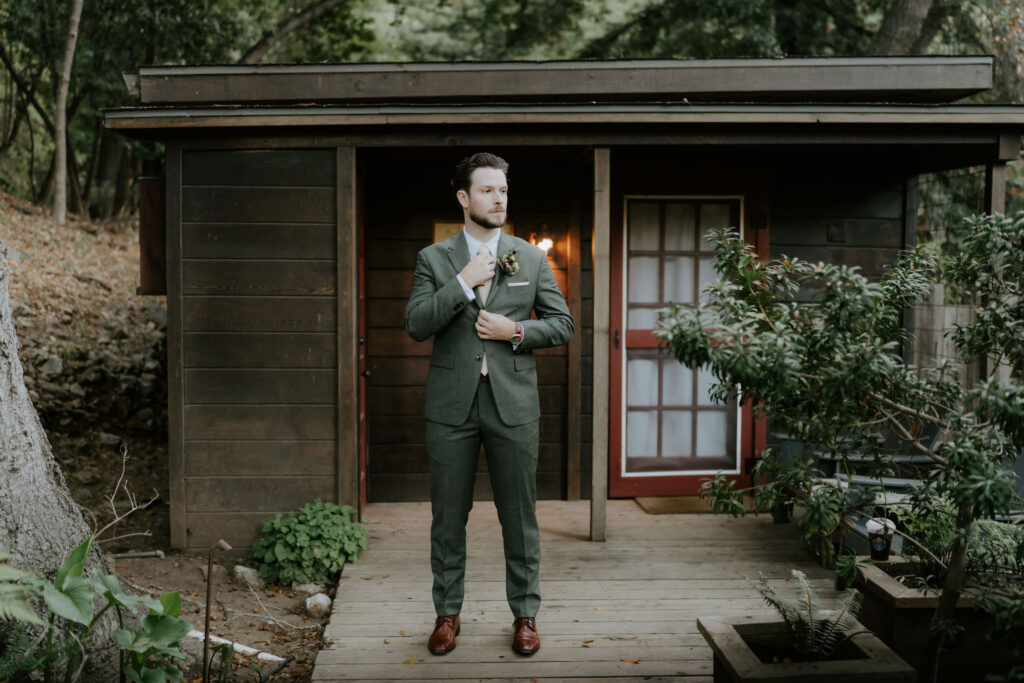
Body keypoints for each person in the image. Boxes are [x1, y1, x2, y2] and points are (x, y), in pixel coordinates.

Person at [404, 152, 574, 656]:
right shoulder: (433, 260)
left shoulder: (532, 257)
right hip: (451, 407)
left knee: (519, 516)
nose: (499, 198)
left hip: (513, 406)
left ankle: (525, 615)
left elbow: (562, 324)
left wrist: (516, 329)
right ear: (464, 197)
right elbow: (415, 325)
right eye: (487, 190)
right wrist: (462, 282)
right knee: (447, 516)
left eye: (503, 190)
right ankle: (446, 615)